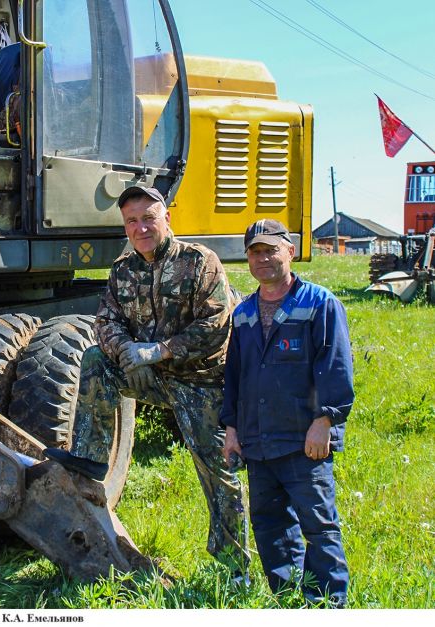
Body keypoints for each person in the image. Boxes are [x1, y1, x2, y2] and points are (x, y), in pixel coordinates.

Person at [44, 185, 250, 575]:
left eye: (148, 218)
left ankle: (233, 567)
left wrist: (159, 350)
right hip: (150, 377)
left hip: (201, 382)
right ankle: (91, 457)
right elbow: (106, 321)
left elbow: (216, 324)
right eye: (132, 221)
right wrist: (126, 352)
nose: (141, 228)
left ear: (166, 218)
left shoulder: (199, 262)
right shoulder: (123, 270)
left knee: (218, 472)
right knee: (96, 361)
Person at [220, 219, 353, 606]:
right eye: (254, 252)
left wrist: (324, 421)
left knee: (318, 526)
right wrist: (231, 430)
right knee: (270, 526)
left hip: (303, 441)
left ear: (289, 251)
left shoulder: (318, 304)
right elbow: (235, 376)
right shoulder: (243, 313)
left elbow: (336, 366)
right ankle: (289, 600)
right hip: (258, 442)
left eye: (270, 249)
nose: (262, 258)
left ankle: (327, 604)